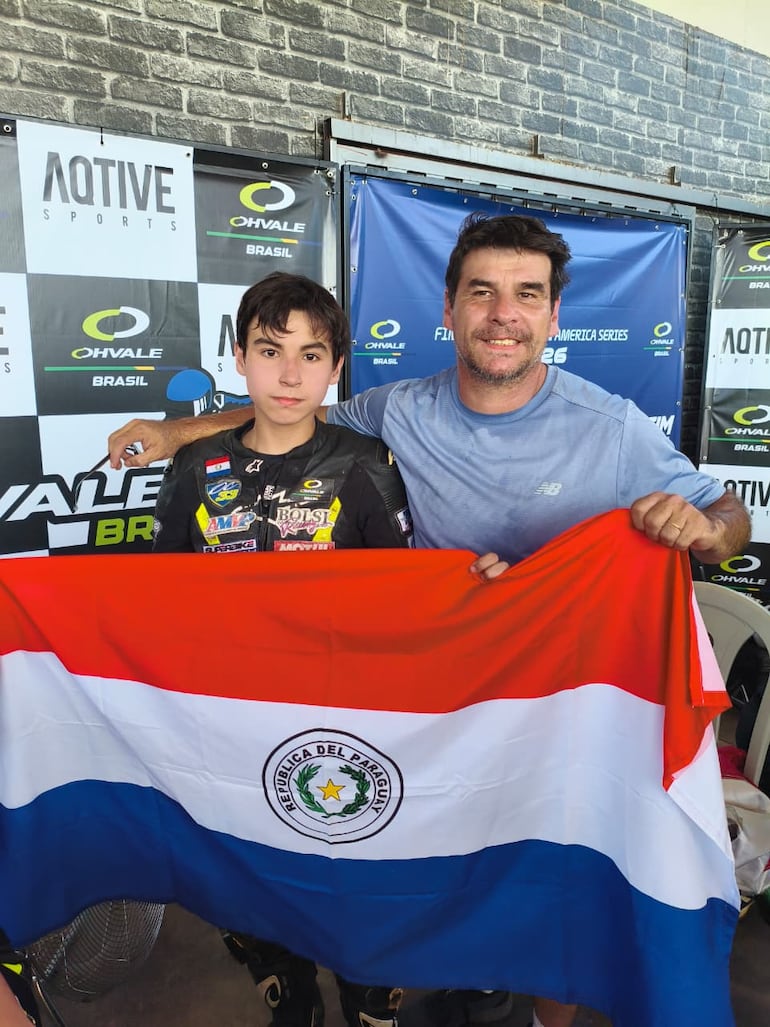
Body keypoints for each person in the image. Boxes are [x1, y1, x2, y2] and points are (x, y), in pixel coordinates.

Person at [109, 214, 751, 1027]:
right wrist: (173, 433)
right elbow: (285, 415)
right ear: (449, 309)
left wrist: (708, 531)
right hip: (431, 708)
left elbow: (727, 513)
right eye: (482, 292)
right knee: (416, 865)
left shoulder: (613, 427)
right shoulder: (395, 411)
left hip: (554, 710)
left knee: (558, 884)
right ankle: (443, 971)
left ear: (554, 314)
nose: (503, 314)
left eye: (527, 294)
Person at [152, 271, 414, 1027]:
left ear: (337, 367)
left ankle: (369, 995)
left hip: (346, 720)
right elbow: (155, 600)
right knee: (248, 868)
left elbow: (406, 600)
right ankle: (285, 986)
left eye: (312, 354)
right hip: (230, 720)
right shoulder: (194, 467)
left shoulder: (367, 462)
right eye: (271, 351)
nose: (290, 374)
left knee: (353, 866)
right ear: (239, 358)